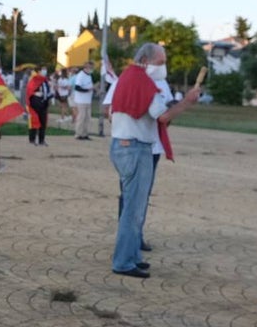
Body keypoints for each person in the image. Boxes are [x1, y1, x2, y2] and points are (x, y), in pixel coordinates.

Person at [107, 43, 201, 277]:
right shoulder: (144, 82)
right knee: (133, 210)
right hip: (135, 148)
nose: (163, 67)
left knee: (133, 207)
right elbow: (163, 116)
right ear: (146, 61)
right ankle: (123, 261)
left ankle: (132, 256)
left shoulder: (127, 77)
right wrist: (187, 102)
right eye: (161, 62)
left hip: (122, 145)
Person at [25, 67, 52, 146]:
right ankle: (32, 139)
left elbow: (48, 91)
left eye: (45, 70)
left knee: (43, 122)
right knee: (34, 121)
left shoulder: (45, 80)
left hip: (44, 102)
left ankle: (41, 140)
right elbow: (30, 90)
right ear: (38, 71)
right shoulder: (34, 79)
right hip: (35, 102)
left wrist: (49, 97)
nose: (44, 71)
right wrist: (35, 93)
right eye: (42, 70)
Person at [71, 60, 95, 140]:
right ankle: (78, 134)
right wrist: (87, 90)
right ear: (86, 67)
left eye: (92, 68)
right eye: (90, 68)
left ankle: (85, 133)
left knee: (87, 118)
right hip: (81, 100)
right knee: (81, 117)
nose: (91, 69)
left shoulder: (89, 76)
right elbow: (77, 87)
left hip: (88, 100)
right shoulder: (80, 75)